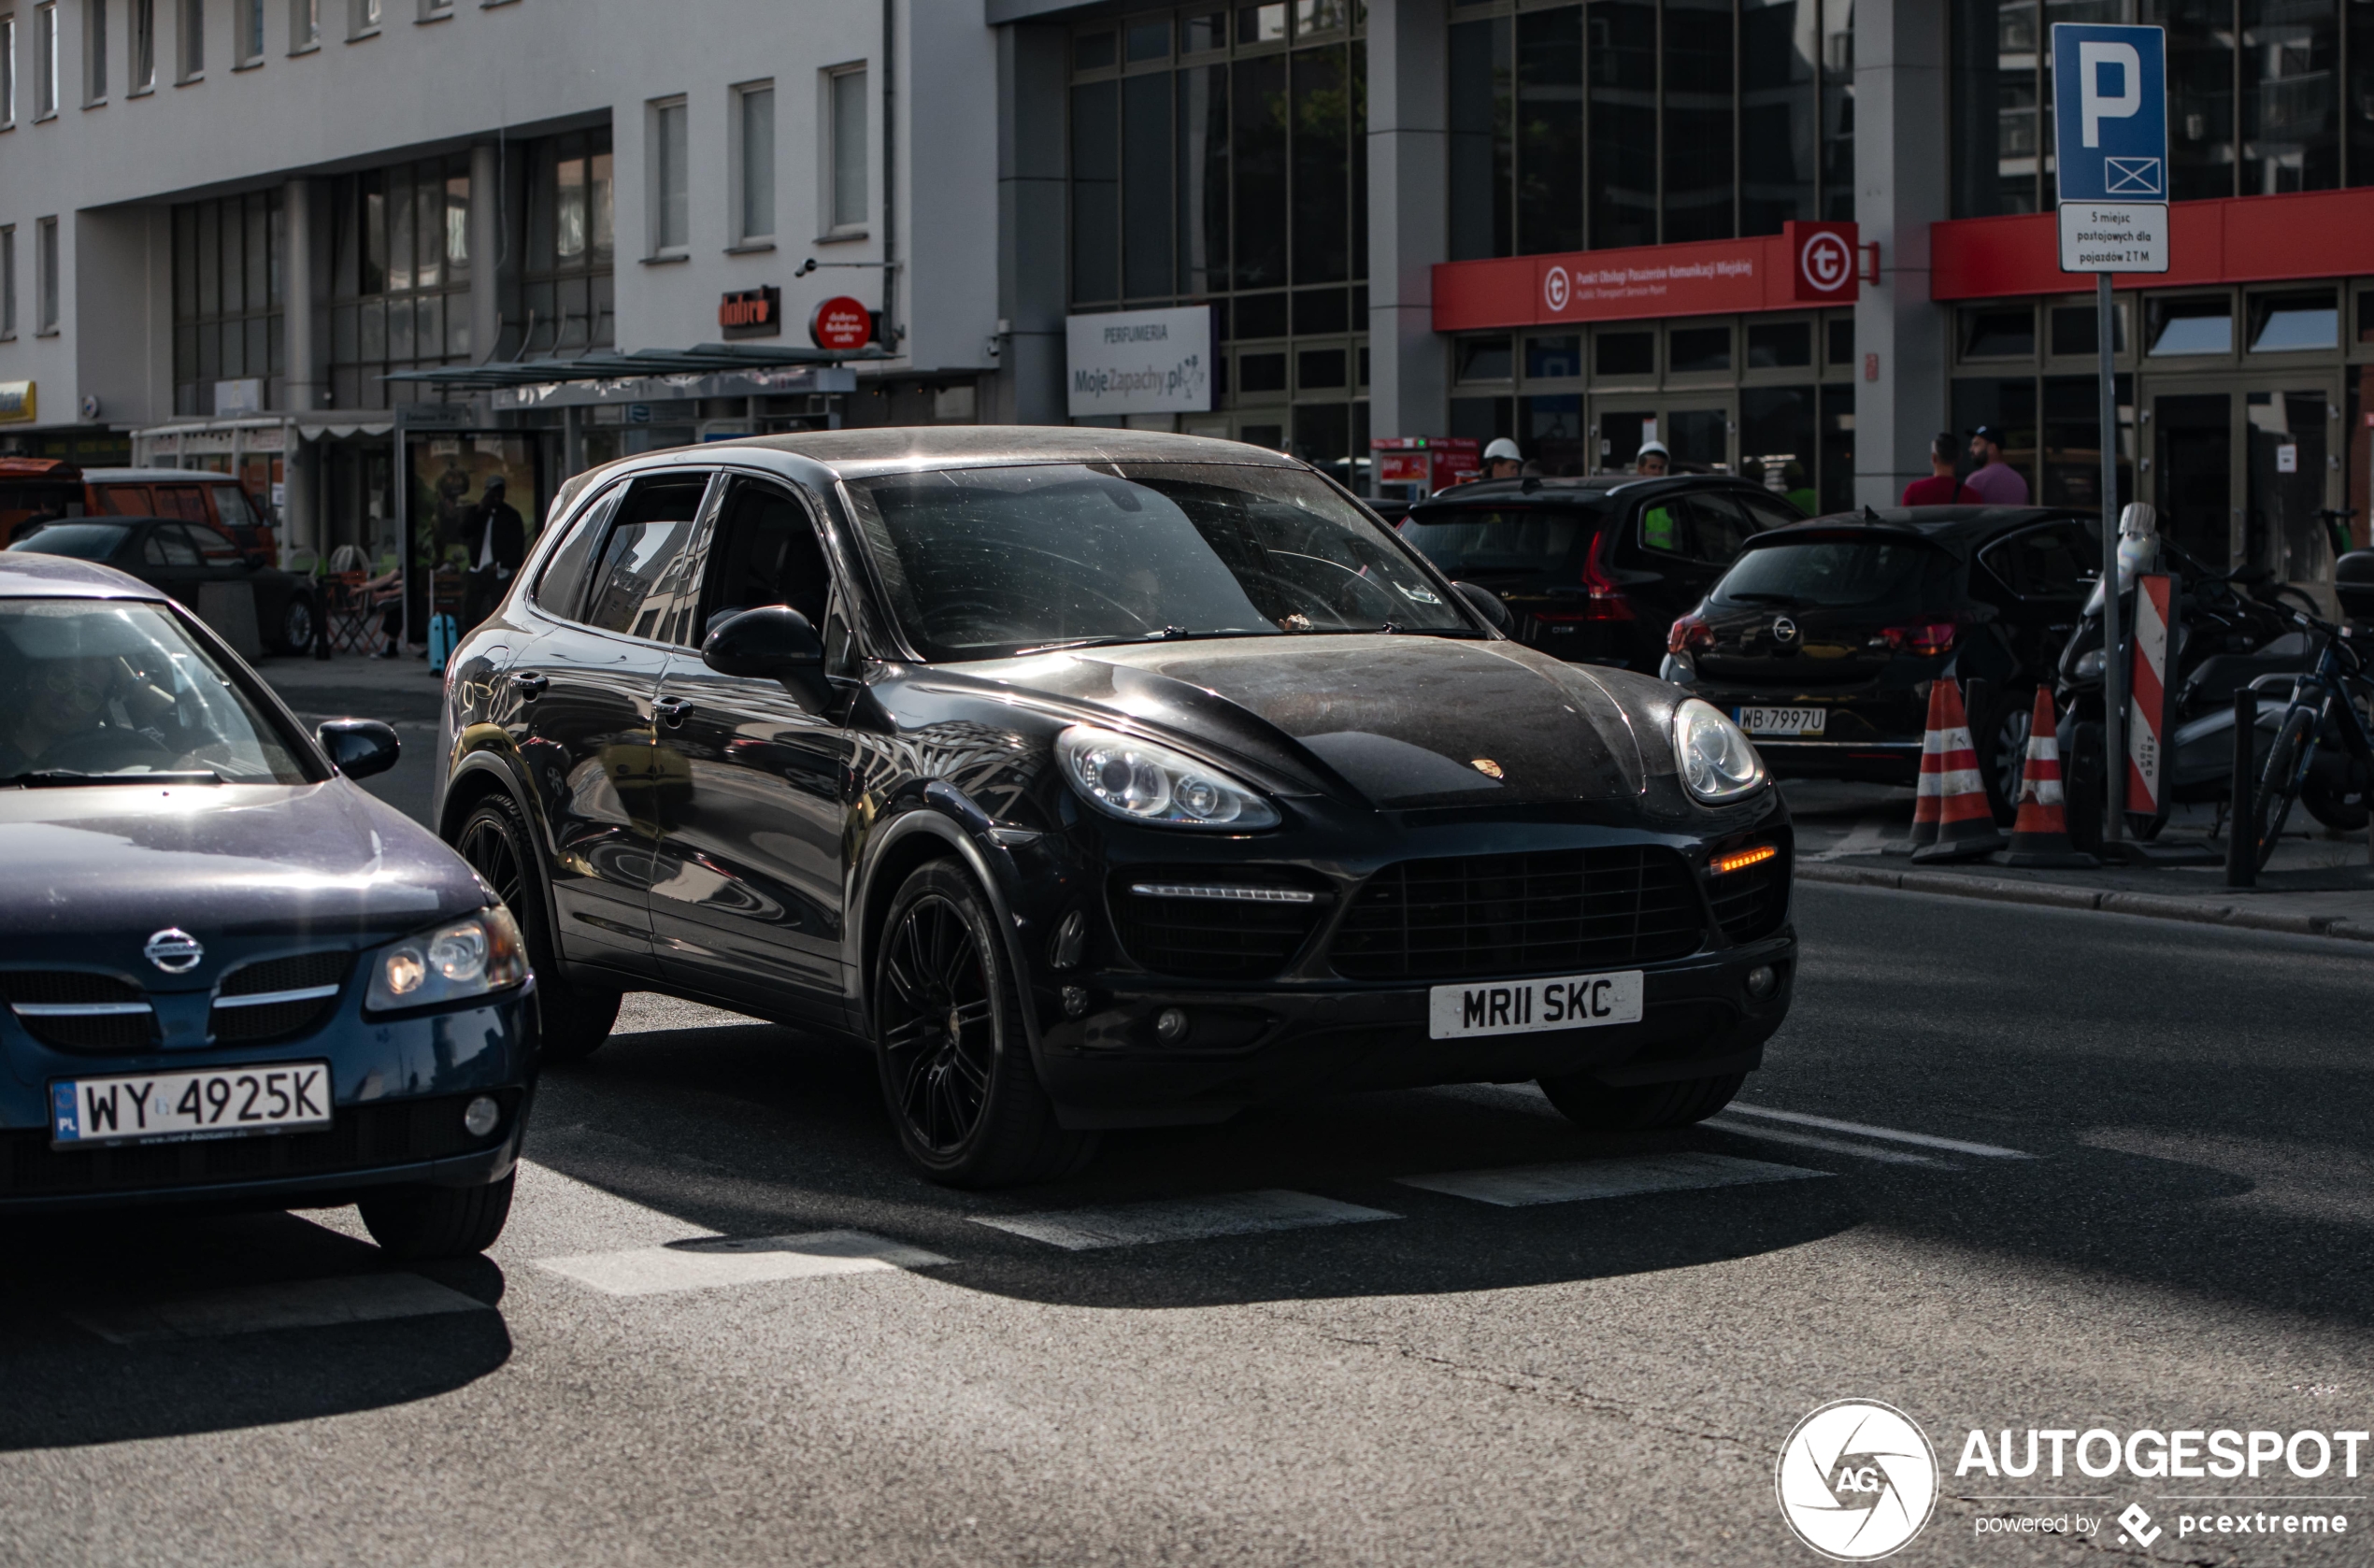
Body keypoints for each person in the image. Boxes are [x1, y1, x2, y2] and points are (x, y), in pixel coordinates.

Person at [461, 475, 527, 630]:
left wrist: (501, 564)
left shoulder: (511, 516)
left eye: (500, 492)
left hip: (499, 572)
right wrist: (480, 510)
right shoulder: (478, 513)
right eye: (493, 492)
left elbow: (517, 546)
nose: (497, 496)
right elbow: (464, 531)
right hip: (477, 570)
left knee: (498, 611)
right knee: (471, 611)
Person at [1901, 433, 1980, 506]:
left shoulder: (1913, 491)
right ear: (1959, 457)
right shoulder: (1971, 496)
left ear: (1934, 458)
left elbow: (1904, 518)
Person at [1963, 425, 2030, 505]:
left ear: (1992, 448)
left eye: (1976, 444)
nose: (1971, 449)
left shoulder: (1976, 480)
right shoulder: (2019, 481)